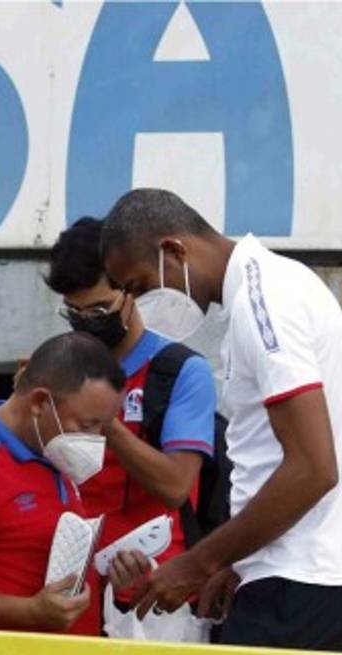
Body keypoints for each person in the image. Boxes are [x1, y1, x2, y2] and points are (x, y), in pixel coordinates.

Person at [102, 188, 342, 652]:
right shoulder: (275, 284)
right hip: (295, 576)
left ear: (173, 250)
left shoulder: (262, 300)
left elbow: (313, 469)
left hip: (298, 584)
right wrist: (237, 563)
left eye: (140, 286)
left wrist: (198, 563)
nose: (138, 306)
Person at [44, 217, 217, 627]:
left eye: (101, 309)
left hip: (153, 588)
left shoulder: (180, 371)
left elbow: (177, 486)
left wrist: (104, 420)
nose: (88, 321)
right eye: (75, 312)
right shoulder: (57, 369)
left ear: (131, 291)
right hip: (70, 585)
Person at [0, 332, 128, 634]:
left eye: (101, 426)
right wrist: (29, 612)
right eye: (86, 424)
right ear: (40, 402)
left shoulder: (54, 452)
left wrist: (107, 569)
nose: (96, 439)